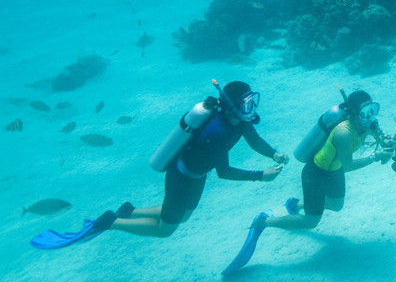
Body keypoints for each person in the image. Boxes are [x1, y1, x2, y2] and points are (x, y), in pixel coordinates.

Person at [31, 81, 287, 250]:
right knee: (166, 230)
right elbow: (224, 172)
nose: (251, 108)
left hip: (198, 176)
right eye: (246, 103)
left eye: (252, 101)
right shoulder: (217, 131)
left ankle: (129, 211)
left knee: (182, 215)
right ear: (231, 105)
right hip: (182, 176)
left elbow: (254, 140)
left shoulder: (239, 120)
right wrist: (260, 176)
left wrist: (273, 154)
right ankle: (109, 222)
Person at [265, 89, 392, 234]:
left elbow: (380, 140)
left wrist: (389, 145)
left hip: (334, 169)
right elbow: (348, 166)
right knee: (311, 222)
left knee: (336, 205)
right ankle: (264, 221)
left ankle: (297, 204)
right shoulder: (343, 133)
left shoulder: (369, 123)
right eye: (364, 112)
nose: (369, 116)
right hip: (316, 173)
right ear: (354, 114)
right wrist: (375, 157)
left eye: (372, 110)